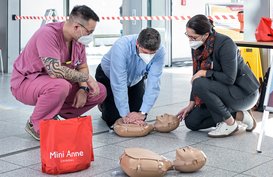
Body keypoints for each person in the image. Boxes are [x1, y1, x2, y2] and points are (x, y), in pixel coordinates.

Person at [10, 5, 107, 140]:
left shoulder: (77, 40)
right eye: (89, 32)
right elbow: (55, 70)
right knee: (60, 85)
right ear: (76, 27)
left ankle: (55, 113)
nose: (90, 36)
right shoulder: (48, 34)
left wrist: (84, 88)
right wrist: (86, 78)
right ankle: (35, 123)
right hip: (26, 83)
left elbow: (82, 66)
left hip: (56, 83)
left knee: (99, 90)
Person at [177, 14, 260, 138]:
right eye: (187, 36)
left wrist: (205, 72)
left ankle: (230, 123)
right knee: (191, 122)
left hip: (243, 93)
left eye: (193, 37)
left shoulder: (226, 44)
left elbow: (229, 78)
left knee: (200, 82)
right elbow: (195, 76)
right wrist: (191, 103)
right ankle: (240, 115)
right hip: (222, 91)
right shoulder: (197, 46)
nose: (190, 40)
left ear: (205, 35)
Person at [95, 28, 165, 128]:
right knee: (114, 118)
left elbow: (154, 83)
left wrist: (143, 112)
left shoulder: (160, 51)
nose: (148, 56)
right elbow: (119, 82)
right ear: (137, 43)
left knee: (137, 114)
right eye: (145, 52)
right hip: (109, 76)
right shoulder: (121, 47)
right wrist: (124, 114)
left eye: (152, 53)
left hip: (135, 79)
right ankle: (103, 104)